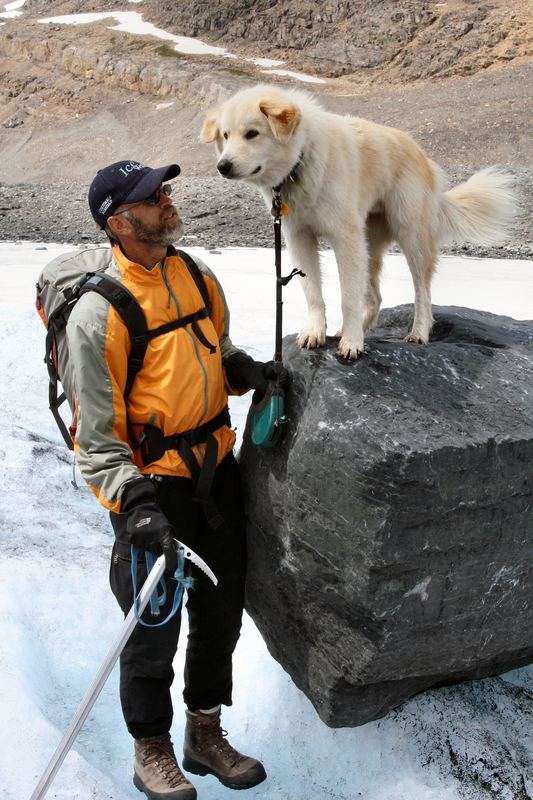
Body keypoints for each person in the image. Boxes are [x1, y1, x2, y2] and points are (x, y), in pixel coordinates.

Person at [67, 159, 285, 800]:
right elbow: (97, 440)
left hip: (215, 475)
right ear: (118, 220)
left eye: (164, 191)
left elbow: (209, 355)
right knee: (152, 623)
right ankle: (151, 750)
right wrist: (133, 506)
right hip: (151, 492)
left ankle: (204, 732)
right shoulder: (96, 315)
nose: (166, 202)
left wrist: (240, 370)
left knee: (220, 613)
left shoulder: (196, 274)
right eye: (151, 198)